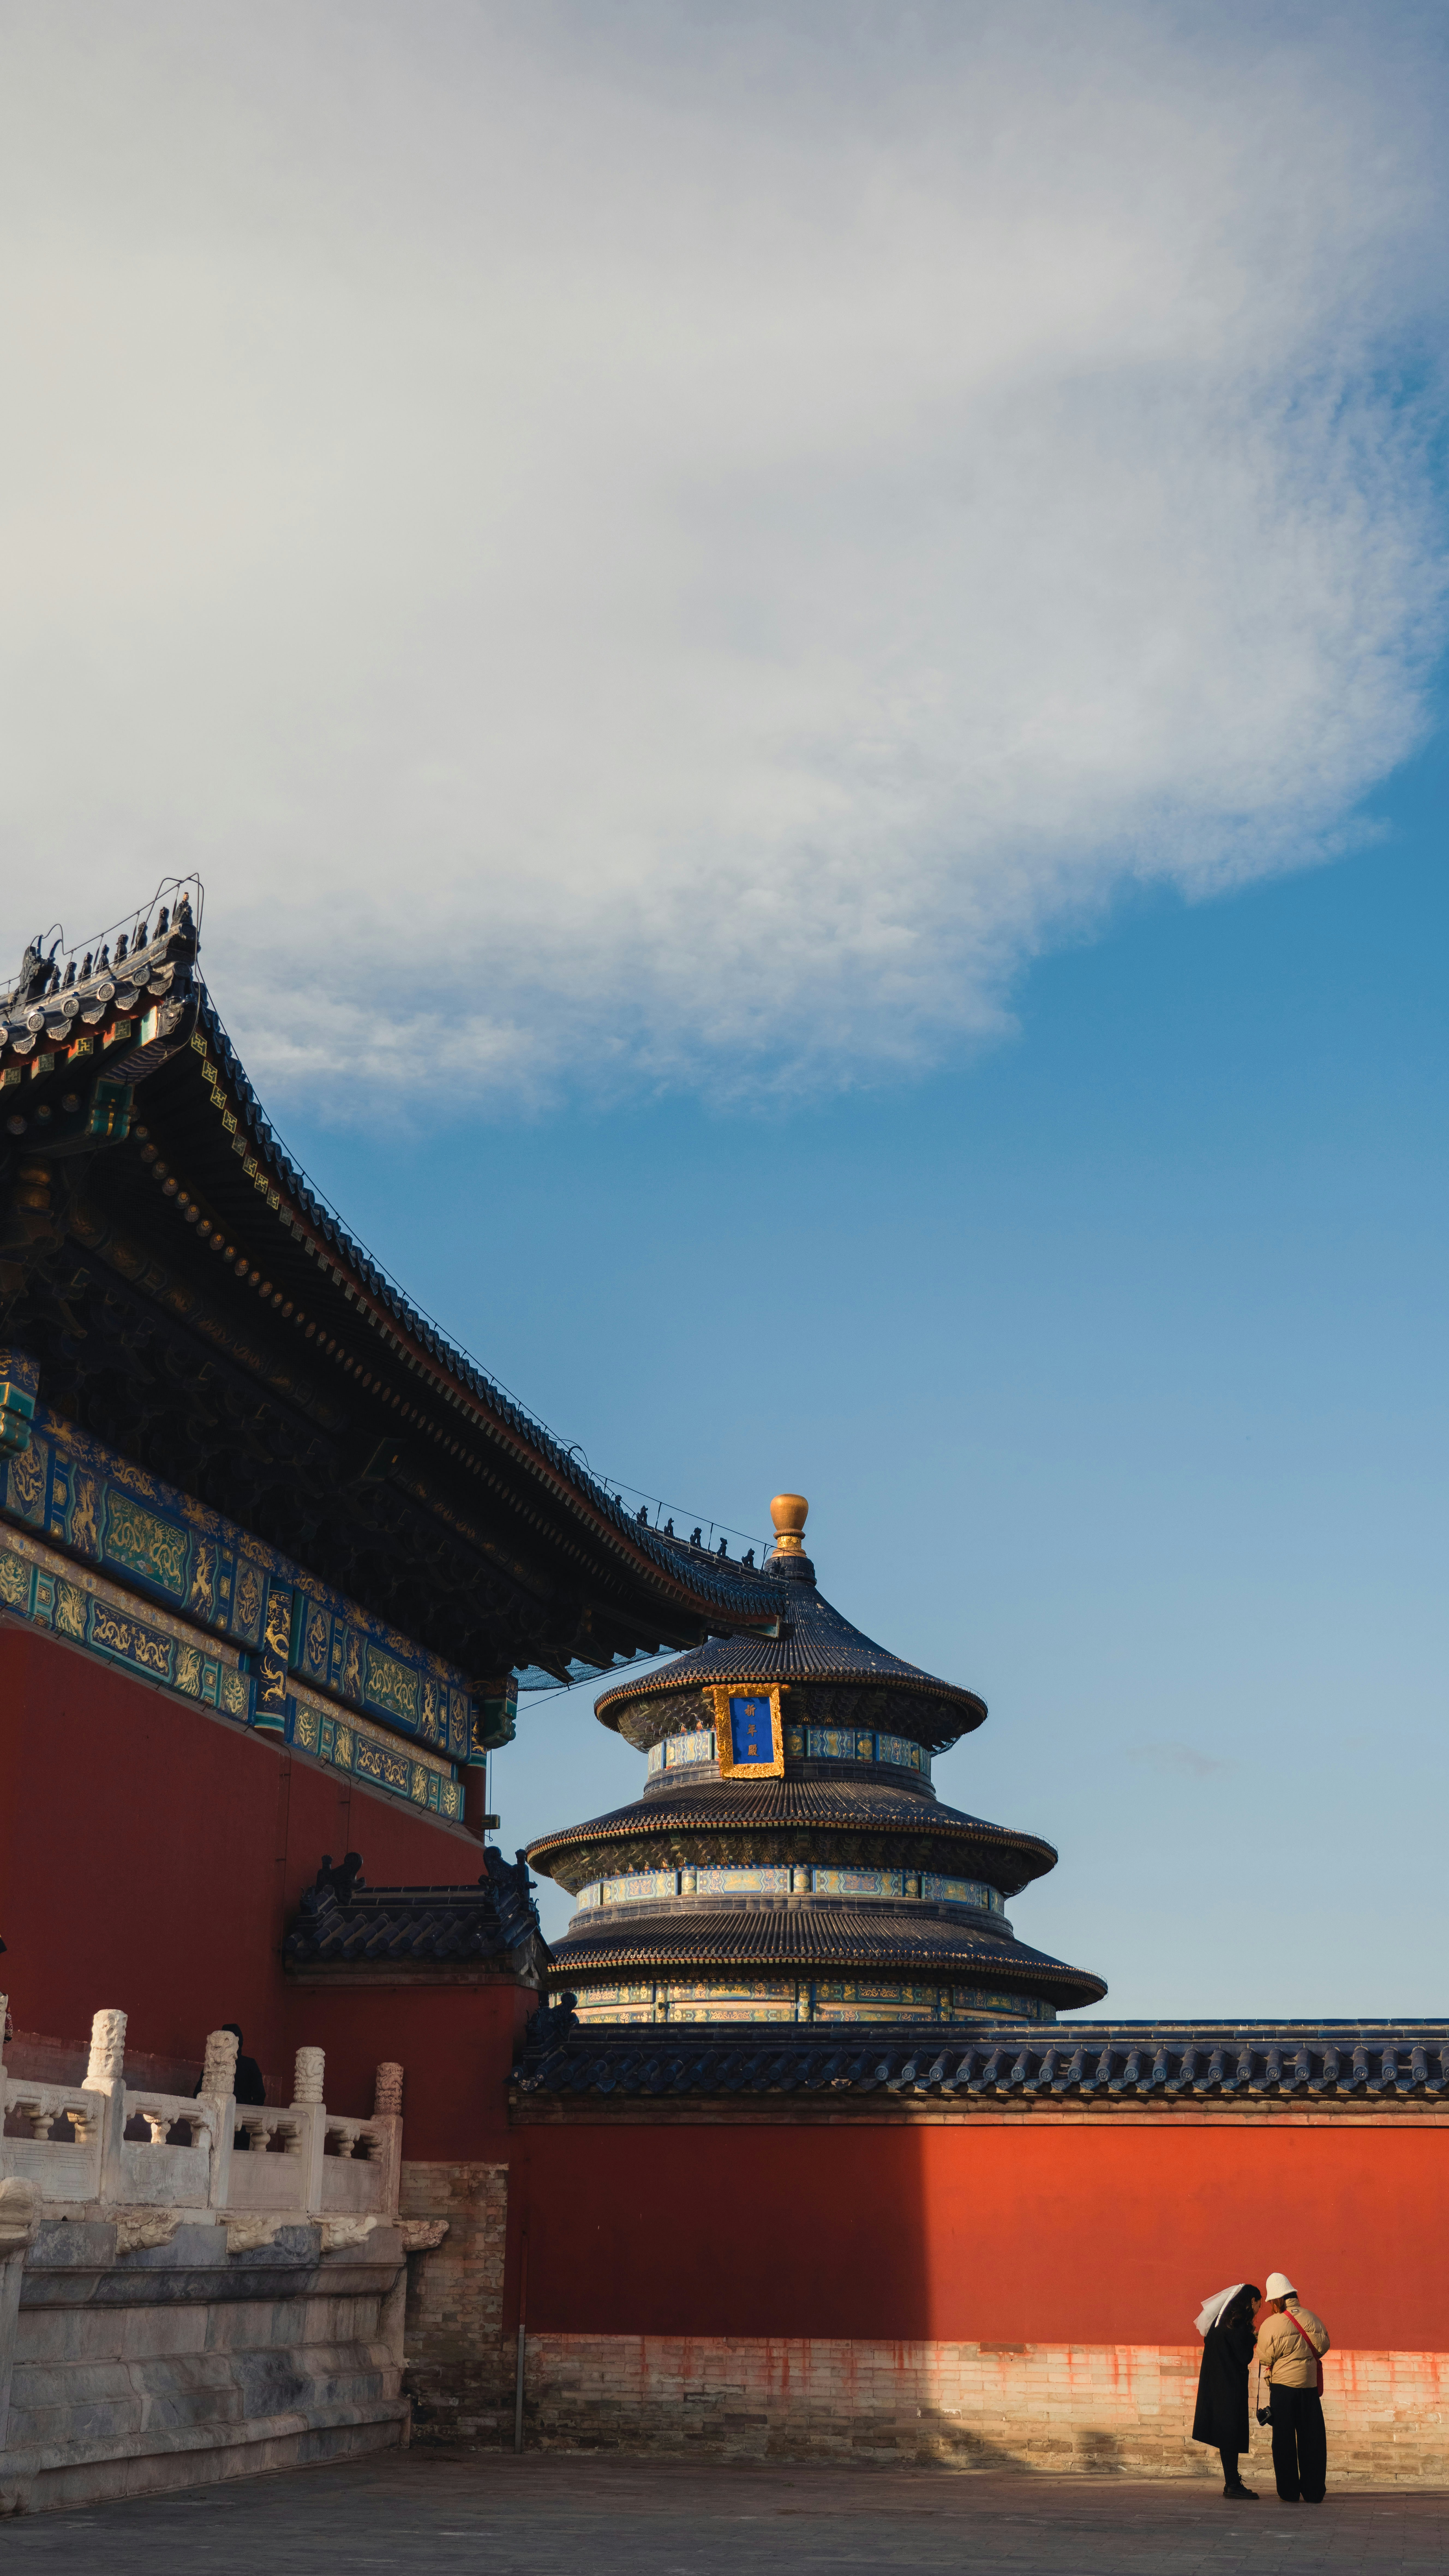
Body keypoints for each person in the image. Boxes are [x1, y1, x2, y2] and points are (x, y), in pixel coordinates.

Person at [1255, 2270, 1330, 2503]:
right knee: (1313, 2439)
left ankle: (1289, 2491)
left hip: (1283, 2389)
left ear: (1276, 2299)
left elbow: (1265, 2357)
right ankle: (1314, 2491)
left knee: (1284, 2440)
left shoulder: (1272, 2323)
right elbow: (1324, 2345)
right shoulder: (1313, 2317)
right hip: (1309, 2388)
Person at [1192, 2282, 1262, 2497]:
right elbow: (1244, 2357)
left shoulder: (1220, 2322)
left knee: (1226, 2435)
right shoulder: (1238, 2324)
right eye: (1260, 2304)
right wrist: (1254, 2338)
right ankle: (1232, 2483)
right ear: (1252, 2301)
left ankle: (1231, 2481)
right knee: (1231, 2434)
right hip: (1230, 2387)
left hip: (1216, 2386)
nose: (1260, 2309)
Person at [191, 2024, 267, 2108]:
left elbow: (198, 2093)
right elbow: (260, 2096)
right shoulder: (250, 2064)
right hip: (239, 2116)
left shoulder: (213, 2063)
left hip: (219, 2113)